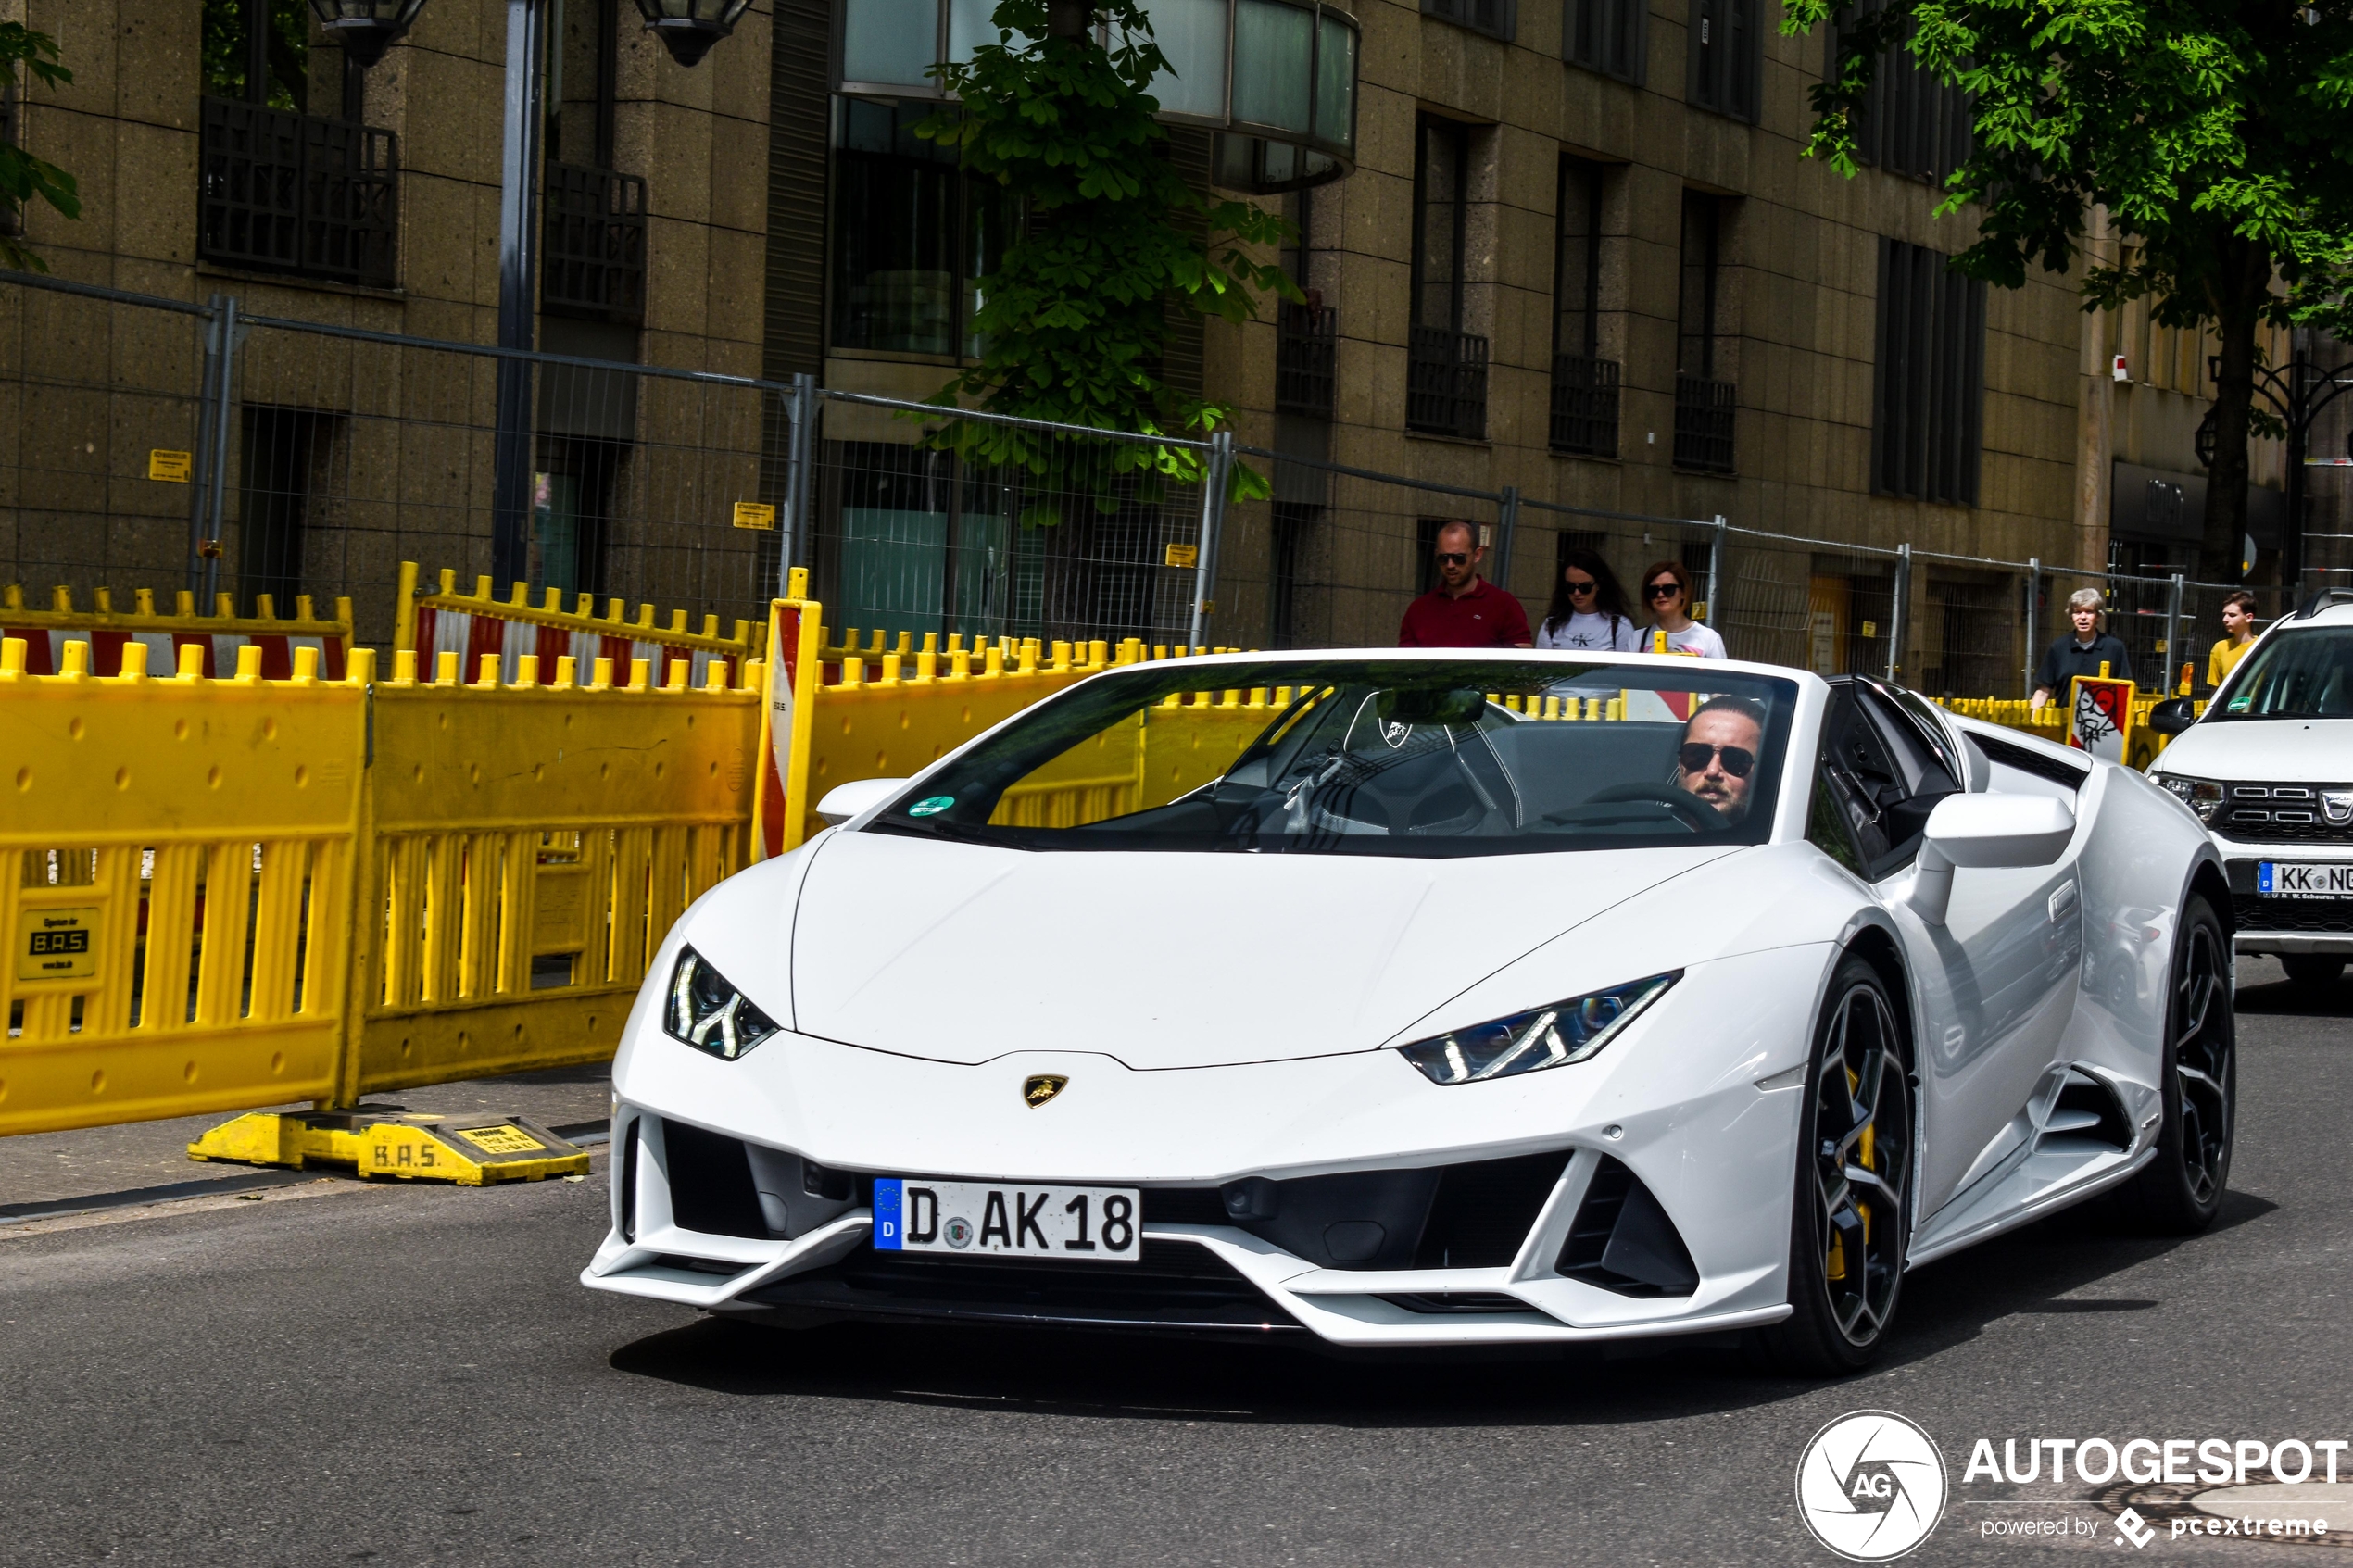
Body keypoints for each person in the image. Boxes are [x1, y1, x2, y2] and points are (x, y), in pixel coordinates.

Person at [1398, 520, 1533, 647]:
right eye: (1443, 558)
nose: (1450, 565)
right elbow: (1404, 662)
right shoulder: (1418, 609)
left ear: (1477, 555)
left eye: (1459, 558)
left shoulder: (1504, 605)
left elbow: (1522, 657)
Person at [2031, 588, 2133, 708]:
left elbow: (2124, 691)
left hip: (2103, 724)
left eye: (2089, 612)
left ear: (2098, 616)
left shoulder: (2115, 648)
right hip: (2065, 721)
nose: (2083, 617)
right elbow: (2043, 691)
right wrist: (2033, 719)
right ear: (2071, 616)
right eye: (2077, 612)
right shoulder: (2059, 647)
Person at [1677, 696, 1765, 822]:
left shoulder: (1781, 836)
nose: (1712, 771)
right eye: (1699, 756)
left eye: (1735, 760)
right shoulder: (1646, 833)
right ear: (1680, 765)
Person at [1535, 548, 1642, 651]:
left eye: (1585, 587)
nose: (1577, 593)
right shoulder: (1552, 625)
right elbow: (1539, 667)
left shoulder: (1620, 626)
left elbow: (1626, 668)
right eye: (1570, 587)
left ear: (1598, 584)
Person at [1639, 561, 1727, 658]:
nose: (1660, 595)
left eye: (1668, 589)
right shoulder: (1638, 639)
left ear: (1684, 592)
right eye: (1653, 590)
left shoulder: (1709, 639)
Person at [2208, 590, 2258, 691]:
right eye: (2224, 614)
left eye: (2232, 615)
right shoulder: (2220, 648)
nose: (2225, 619)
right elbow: (2215, 689)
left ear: (2248, 618)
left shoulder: (2262, 646)